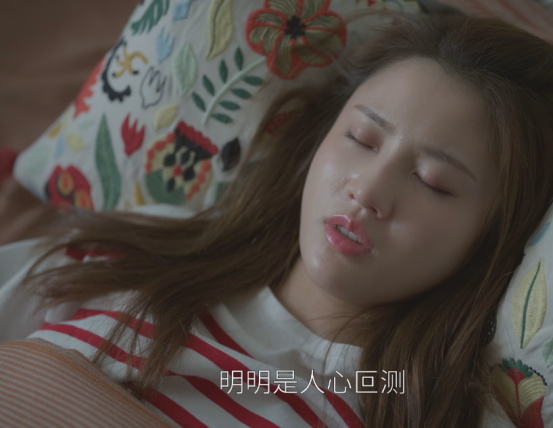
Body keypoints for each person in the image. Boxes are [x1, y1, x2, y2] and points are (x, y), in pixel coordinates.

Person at [4, 9, 553, 428]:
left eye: (432, 181)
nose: (367, 191)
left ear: (497, 235)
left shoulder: (424, 406)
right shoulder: (132, 255)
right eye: (361, 138)